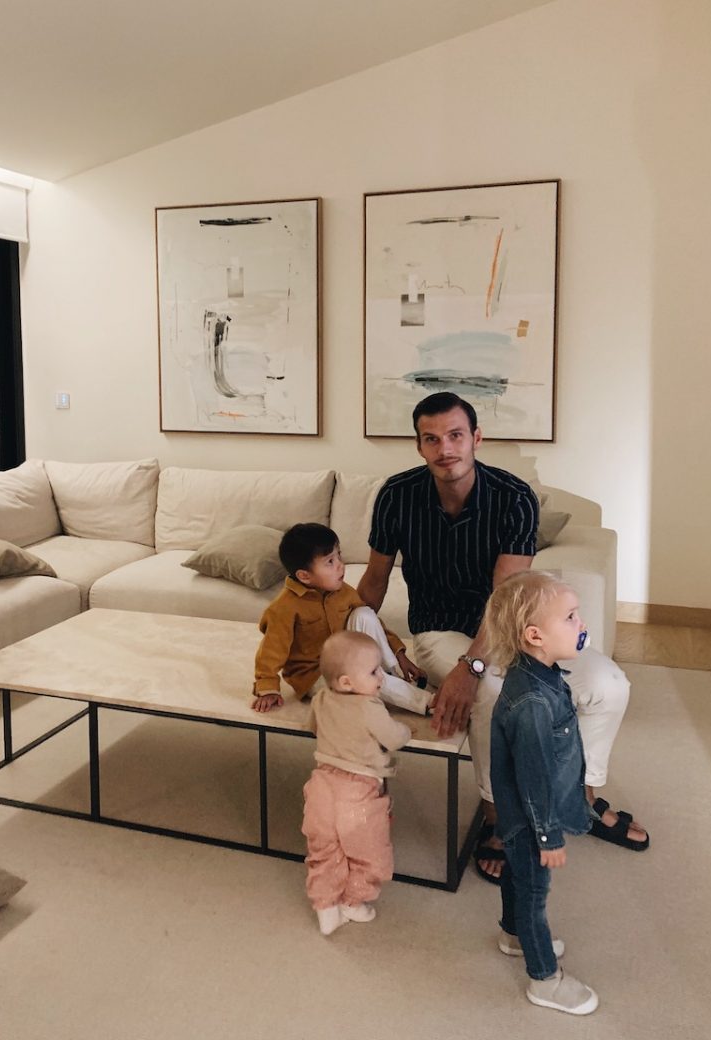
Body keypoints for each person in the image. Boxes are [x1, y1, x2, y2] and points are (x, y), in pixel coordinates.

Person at [357, 391, 648, 882]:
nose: (445, 448)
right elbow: (375, 580)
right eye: (432, 439)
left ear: (476, 438)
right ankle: (498, 819)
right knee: (494, 693)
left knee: (608, 685)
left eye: (455, 435)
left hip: (513, 624)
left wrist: (470, 667)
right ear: (419, 445)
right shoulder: (396, 495)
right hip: (439, 628)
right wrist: (343, 636)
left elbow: (505, 599)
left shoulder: (514, 497)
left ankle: (580, 798)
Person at [486, 570, 598, 1015]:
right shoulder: (532, 702)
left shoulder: (543, 675)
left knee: (517, 875)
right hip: (530, 819)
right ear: (535, 636)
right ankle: (544, 979)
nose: (581, 624)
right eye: (570, 617)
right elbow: (533, 778)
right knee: (534, 891)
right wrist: (548, 836)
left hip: (522, 815)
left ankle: (513, 934)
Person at [251, 522, 432, 716]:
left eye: (339, 555)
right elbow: (271, 650)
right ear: (304, 576)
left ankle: (389, 672)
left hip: (347, 659)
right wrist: (267, 688)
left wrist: (399, 655)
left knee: (364, 614)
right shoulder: (284, 608)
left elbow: (374, 625)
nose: (340, 565)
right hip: (316, 675)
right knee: (363, 680)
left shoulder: (343, 592)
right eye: (330, 561)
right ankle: (429, 703)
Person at [301, 630, 412, 934]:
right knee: (370, 853)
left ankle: (326, 908)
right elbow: (393, 738)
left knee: (324, 851)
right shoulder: (369, 706)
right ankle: (352, 902)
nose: (381, 677)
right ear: (347, 682)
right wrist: (405, 730)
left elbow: (312, 726)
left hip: (321, 788)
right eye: (374, 672)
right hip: (358, 794)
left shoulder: (321, 698)